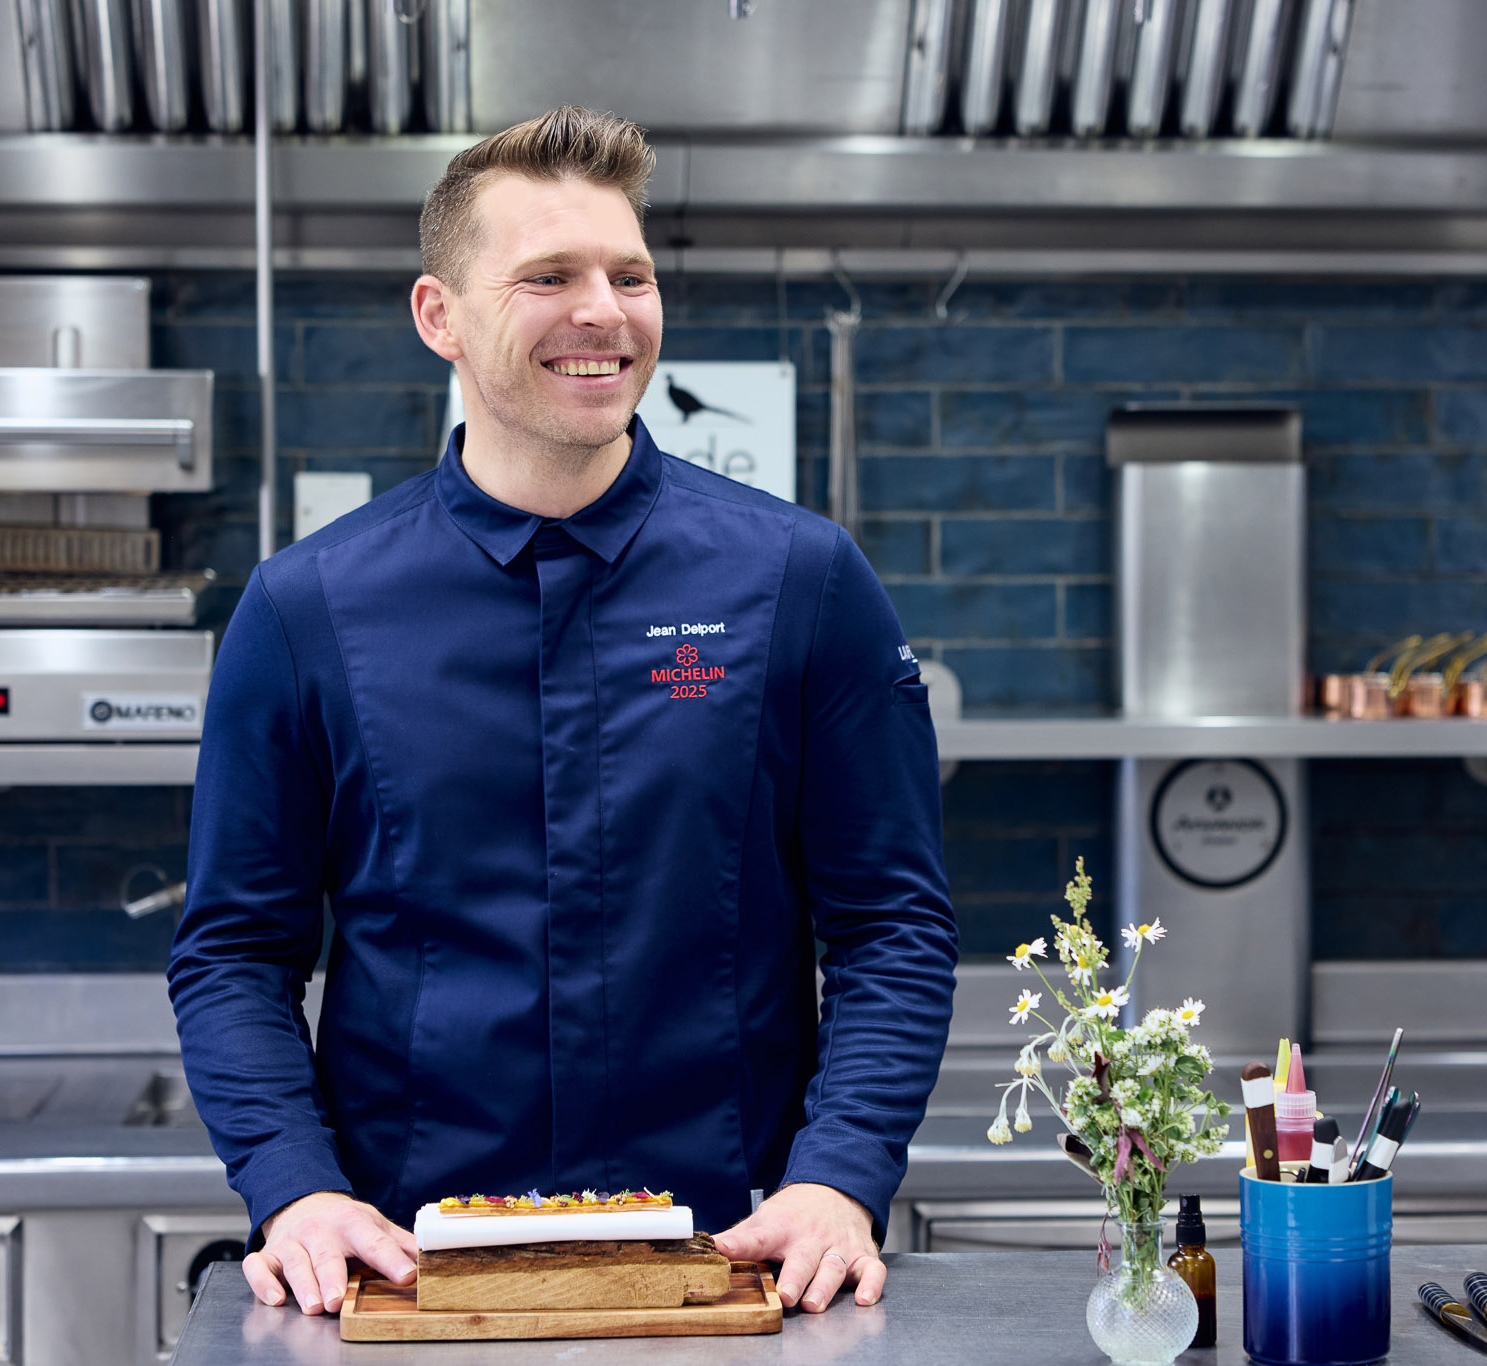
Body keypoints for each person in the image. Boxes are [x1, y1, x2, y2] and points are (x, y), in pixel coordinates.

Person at [168, 106, 957, 1323]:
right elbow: (234, 951)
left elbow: (889, 924)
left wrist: (838, 1174)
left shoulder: (802, 581)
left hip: (733, 1262)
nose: (604, 312)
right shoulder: (302, 609)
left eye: (629, 276)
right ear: (438, 315)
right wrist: (295, 1188)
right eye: (548, 277)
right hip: (407, 1273)